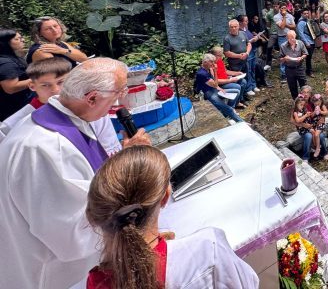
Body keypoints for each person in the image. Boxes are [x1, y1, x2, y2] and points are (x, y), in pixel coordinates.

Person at [0, 58, 150, 289]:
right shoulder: (44, 149)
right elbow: (74, 238)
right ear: (92, 98)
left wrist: (124, 159)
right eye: (119, 92)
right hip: (57, 277)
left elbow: (88, 181)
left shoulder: (67, 118)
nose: (120, 101)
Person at [85, 146, 258, 289]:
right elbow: (248, 283)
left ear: (94, 216)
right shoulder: (209, 249)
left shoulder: (95, 282)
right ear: (165, 197)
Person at [0, 58, 71, 142]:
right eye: (45, 85)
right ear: (32, 86)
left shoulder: (80, 103)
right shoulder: (21, 119)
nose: (55, 90)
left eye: (60, 82)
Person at [194, 54, 244, 125]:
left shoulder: (208, 69)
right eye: (211, 62)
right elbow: (215, 84)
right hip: (208, 93)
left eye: (213, 62)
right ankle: (241, 122)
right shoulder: (201, 73)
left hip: (214, 90)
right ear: (205, 62)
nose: (213, 64)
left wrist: (219, 88)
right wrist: (215, 71)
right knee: (228, 109)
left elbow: (215, 84)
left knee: (236, 92)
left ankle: (227, 114)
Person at [0, 28, 34, 121]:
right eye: (17, 39)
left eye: (21, 37)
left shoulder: (13, 57)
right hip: (13, 110)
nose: (22, 40)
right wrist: (37, 79)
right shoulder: (6, 63)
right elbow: (10, 88)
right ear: (5, 43)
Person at [223, 20, 255, 99]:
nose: (234, 28)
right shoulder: (227, 38)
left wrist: (247, 53)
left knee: (247, 75)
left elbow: (249, 44)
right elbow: (226, 53)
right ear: (229, 28)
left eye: (235, 26)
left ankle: (247, 92)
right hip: (235, 64)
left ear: (238, 26)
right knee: (239, 80)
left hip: (245, 60)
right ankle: (240, 97)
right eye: (231, 27)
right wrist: (238, 56)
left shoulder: (243, 33)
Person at [280, 30, 308, 99]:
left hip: (299, 67)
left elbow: (305, 53)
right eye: (290, 38)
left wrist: (301, 57)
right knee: (292, 86)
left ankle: (305, 100)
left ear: (295, 36)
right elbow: (280, 59)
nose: (292, 39)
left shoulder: (300, 43)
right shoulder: (283, 46)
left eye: (293, 37)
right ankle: (296, 101)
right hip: (289, 69)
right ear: (287, 38)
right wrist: (284, 59)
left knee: (304, 85)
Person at [273, 4, 296, 82]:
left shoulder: (290, 15)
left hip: (291, 37)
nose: (283, 10)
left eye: (285, 8)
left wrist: (286, 24)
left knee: (292, 53)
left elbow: (294, 26)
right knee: (283, 55)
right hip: (282, 37)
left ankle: (291, 72)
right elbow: (282, 27)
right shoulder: (276, 17)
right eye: (282, 8)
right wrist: (284, 17)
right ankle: (283, 74)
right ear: (279, 9)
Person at [306, 94, 328, 158]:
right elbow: (311, 116)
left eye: (318, 104)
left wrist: (320, 111)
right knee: (313, 134)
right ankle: (315, 147)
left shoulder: (322, 106)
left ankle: (318, 148)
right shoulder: (313, 107)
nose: (316, 105)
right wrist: (314, 112)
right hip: (314, 124)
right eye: (315, 104)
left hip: (321, 124)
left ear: (321, 101)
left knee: (316, 135)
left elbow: (326, 112)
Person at [296, 8, 317, 77]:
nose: (306, 15)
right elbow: (300, 34)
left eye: (307, 13)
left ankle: (308, 70)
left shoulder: (307, 20)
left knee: (309, 57)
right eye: (304, 13)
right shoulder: (301, 22)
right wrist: (306, 43)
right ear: (301, 14)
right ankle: (308, 71)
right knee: (306, 57)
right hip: (306, 42)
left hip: (311, 41)